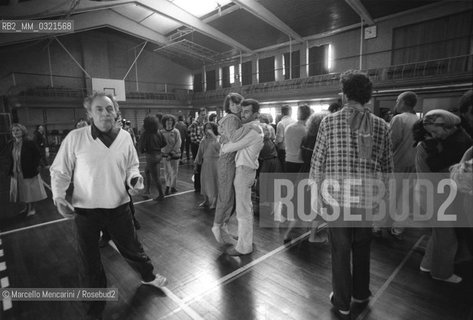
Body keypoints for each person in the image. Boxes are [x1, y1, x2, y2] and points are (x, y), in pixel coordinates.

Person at [50, 92, 167, 320]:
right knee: (89, 257)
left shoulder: (124, 137)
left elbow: (132, 165)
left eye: (109, 108)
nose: (105, 113)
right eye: (99, 109)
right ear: (90, 114)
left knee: (132, 247)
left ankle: (147, 276)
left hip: (118, 206)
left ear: (116, 112)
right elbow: (60, 170)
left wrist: (135, 179)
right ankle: (94, 301)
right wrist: (58, 196)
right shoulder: (76, 137)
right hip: (86, 211)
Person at [309, 70, 393, 319]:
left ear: (345, 95)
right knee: (363, 246)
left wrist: (315, 194)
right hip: (367, 197)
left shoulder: (329, 122)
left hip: (336, 198)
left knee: (340, 250)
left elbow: (318, 162)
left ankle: (342, 301)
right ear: (367, 97)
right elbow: (388, 168)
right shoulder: (381, 125)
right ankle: (360, 293)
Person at [416, 109, 472, 284]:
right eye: (431, 132)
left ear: (446, 126)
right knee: (447, 236)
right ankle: (441, 272)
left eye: (434, 131)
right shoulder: (450, 142)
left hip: (432, 191)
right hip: (436, 193)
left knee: (440, 233)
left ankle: (427, 264)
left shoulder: (452, 143)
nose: (433, 135)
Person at [220, 98, 264, 256]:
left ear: (256, 114)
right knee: (246, 209)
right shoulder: (250, 128)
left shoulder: (253, 130)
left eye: (247, 112)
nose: (242, 114)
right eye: (242, 111)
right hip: (246, 171)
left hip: (244, 172)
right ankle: (245, 240)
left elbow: (228, 147)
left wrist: (223, 142)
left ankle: (244, 247)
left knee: (242, 211)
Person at [211, 93, 252, 245]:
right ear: (227, 106)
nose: (235, 106)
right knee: (226, 196)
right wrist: (250, 128)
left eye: (237, 103)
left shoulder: (234, 119)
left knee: (231, 197)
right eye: (232, 104)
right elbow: (235, 138)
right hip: (227, 161)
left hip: (230, 160)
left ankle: (223, 225)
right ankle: (216, 225)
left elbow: (230, 139)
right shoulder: (232, 119)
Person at [385, 91, 419, 239]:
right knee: (406, 197)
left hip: (397, 163)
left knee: (389, 195)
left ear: (404, 102)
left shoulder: (399, 119)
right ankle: (398, 229)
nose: (396, 104)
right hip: (414, 164)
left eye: (398, 101)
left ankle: (380, 226)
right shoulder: (418, 119)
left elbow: (391, 143)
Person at [8, 123, 47, 216]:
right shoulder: (11, 143)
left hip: (29, 171)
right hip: (17, 172)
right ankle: (26, 207)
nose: (15, 132)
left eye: (17, 130)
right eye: (13, 130)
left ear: (23, 131)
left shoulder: (29, 142)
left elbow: (37, 155)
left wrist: (35, 166)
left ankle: (32, 208)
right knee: (23, 191)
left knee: (31, 191)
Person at [194, 122, 220, 209]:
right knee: (204, 182)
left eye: (210, 128)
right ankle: (206, 200)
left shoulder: (218, 139)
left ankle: (214, 202)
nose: (207, 130)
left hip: (215, 163)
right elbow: (199, 153)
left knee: (214, 182)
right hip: (206, 164)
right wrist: (196, 163)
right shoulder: (203, 140)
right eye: (206, 128)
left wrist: (214, 137)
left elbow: (220, 149)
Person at [139, 115, 166, 201]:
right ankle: (147, 190)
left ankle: (161, 194)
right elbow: (164, 143)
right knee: (146, 171)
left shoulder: (145, 134)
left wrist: (145, 150)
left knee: (156, 177)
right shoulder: (158, 132)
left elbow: (141, 148)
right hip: (158, 155)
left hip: (151, 156)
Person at [284, 105, 311, 173]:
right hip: (300, 162)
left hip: (288, 159)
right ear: (309, 115)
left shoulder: (288, 127)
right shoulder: (306, 130)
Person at [161, 114, 182, 195]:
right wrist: (163, 152)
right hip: (165, 156)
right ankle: (167, 186)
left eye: (171, 121)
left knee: (174, 171)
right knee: (166, 171)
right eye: (167, 120)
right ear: (164, 122)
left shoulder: (176, 131)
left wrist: (172, 153)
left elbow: (178, 143)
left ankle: (173, 186)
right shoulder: (161, 132)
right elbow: (160, 144)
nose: (169, 122)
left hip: (174, 155)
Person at [188, 108, 207, 192]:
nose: (204, 116)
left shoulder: (204, 124)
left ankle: (202, 184)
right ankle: (197, 186)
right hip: (196, 147)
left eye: (205, 114)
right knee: (197, 167)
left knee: (203, 167)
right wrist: (203, 142)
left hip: (203, 147)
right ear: (198, 115)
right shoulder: (194, 124)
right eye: (202, 115)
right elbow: (193, 138)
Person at [275, 105, 295, 170]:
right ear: (291, 112)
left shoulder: (281, 123)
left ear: (282, 113)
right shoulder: (295, 122)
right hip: (294, 149)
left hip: (283, 150)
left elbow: (280, 139)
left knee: (283, 169)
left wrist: (275, 142)